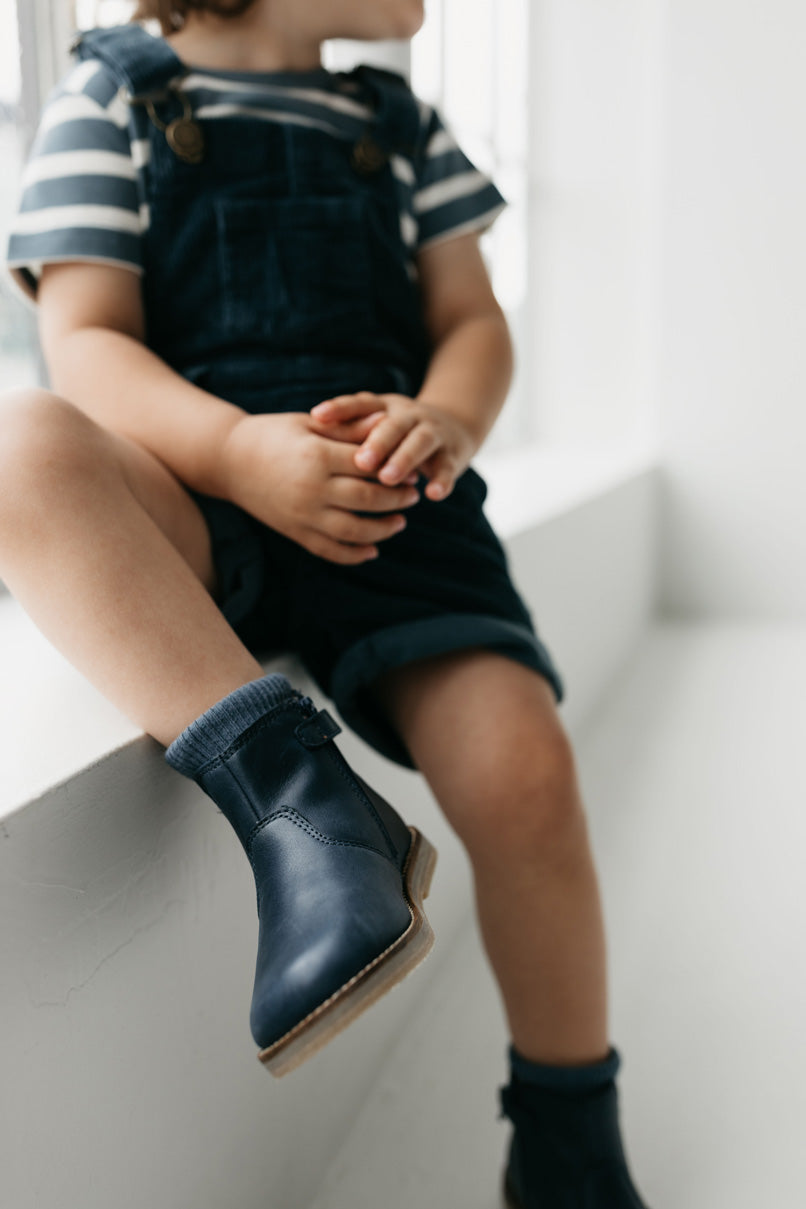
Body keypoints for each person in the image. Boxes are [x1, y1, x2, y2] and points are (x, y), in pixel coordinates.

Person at [0, 1, 652, 1205]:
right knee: (18, 446)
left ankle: (568, 1130)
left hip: (389, 502)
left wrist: (445, 418)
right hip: (203, 490)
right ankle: (298, 801)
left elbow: (471, 321)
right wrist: (235, 451)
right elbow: (84, 346)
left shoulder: (398, 126)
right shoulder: (108, 100)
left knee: (524, 775)